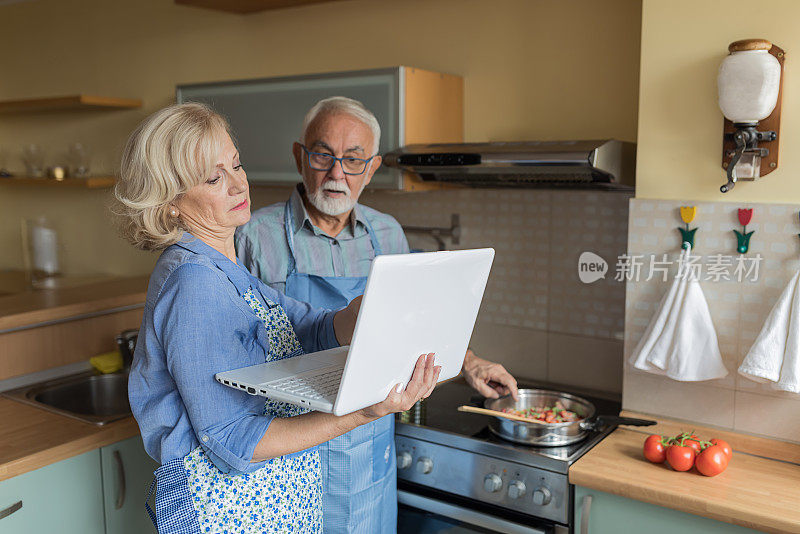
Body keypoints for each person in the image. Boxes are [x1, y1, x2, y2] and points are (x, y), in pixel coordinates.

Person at [116, 102, 440, 534]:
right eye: (214, 178)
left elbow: (309, 327)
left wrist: (357, 316)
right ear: (171, 202)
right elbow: (233, 441)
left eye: (236, 164)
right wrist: (364, 412)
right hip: (229, 516)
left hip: (269, 511)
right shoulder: (194, 285)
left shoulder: (224, 269)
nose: (238, 185)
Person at [236, 96, 519, 534]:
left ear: (371, 168)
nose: (336, 174)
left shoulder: (388, 233)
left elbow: (415, 323)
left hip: (368, 447)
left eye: (352, 160)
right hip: (288, 451)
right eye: (323, 155)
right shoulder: (252, 236)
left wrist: (469, 361)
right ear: (299, 156)